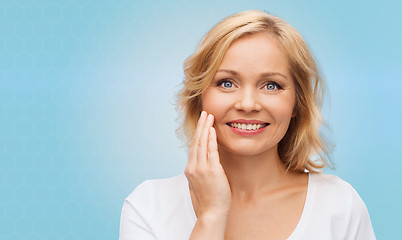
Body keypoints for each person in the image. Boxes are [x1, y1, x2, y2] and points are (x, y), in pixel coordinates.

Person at [119, 10, 376, 239]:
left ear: (297, 104)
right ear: (199, 98)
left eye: (271, 85)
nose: (248, 103)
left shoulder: (340, 205)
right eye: (226, 83)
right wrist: (211, 215)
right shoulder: (148, 207)